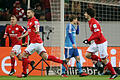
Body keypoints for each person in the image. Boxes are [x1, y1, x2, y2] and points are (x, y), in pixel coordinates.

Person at [17, 9, 68, 78]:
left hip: (35, 43)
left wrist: (37, 31)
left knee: (23, 55)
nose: (27, 14)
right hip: (38, 43)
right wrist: (22, 36)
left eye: (29, 13)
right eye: (27, 13)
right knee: (46, 57)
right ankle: (62, 62)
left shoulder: (35, 20)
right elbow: (28, 32)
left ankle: (24, 73)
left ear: (33, 13)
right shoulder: (29, 21)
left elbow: (37, 26)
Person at [83, 8, 118, 79]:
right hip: (96, 42)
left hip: (101, 43)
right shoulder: (90, 22)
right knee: (87, 54)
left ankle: (114, 73)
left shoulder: (94, 22)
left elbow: (98, 34)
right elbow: (94, 33)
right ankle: (101, 61)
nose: (84, 14)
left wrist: (89, 39)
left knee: (104, 59)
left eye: (85, 13)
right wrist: (89, 40)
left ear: (89, 14)